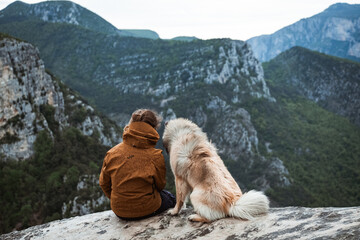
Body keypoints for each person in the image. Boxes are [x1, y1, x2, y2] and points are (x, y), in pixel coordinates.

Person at [99, 109, 175, 220]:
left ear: (131, 125)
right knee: (170, 198)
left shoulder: (112, 153)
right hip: (148, 209)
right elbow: (160, 186)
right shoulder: (155, 156)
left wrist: (121, 199)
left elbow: (104, 183)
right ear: (153, 129)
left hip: (119, 211)